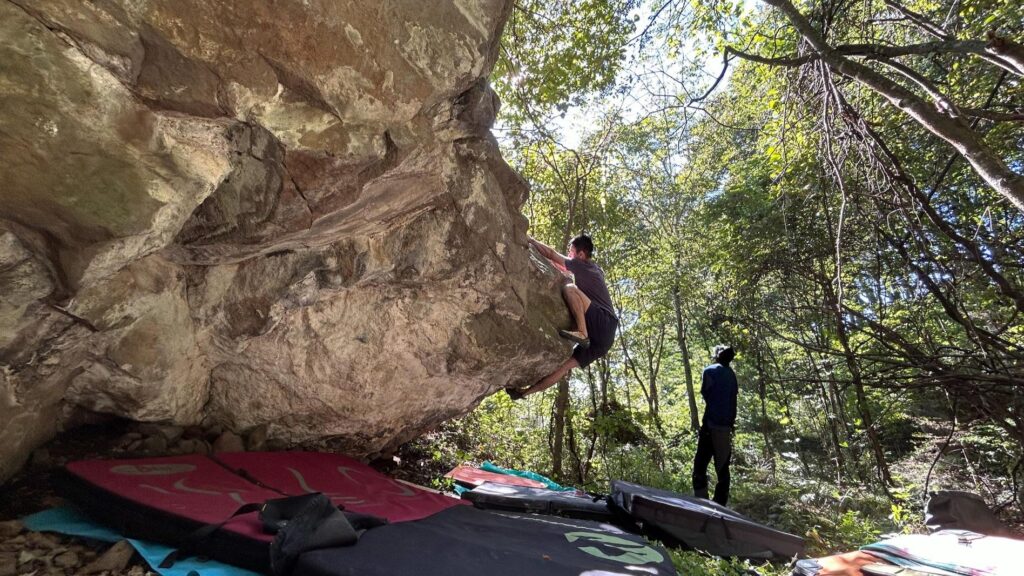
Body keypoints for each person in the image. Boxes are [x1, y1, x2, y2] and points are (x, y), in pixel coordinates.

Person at [507, 234, 618, 400]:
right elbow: (560, 265)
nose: (568, 253)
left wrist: (530, 240)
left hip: (604, 322)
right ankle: (523, 393)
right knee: (564, 367)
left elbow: (552, 254)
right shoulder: (593, 269)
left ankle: (582, 331)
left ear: (581, 255)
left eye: (571, 251)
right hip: (604, 341)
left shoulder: (582, 266)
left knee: (569, 287)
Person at [692, 344, 738, 506]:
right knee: (723, 470)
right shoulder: (732, 375)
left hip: (710, 427)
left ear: (717, 355)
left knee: (699, 467)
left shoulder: (709, 370)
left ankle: (701, 504)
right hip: (725, 429)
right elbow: (733, 401)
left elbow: (706, 394)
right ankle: (720, 506)